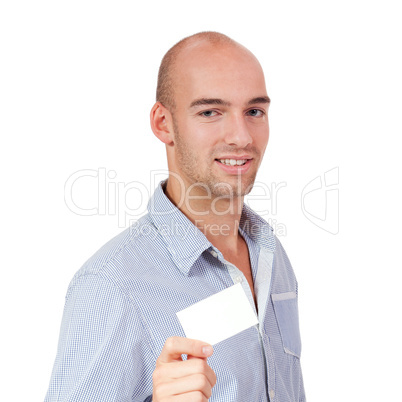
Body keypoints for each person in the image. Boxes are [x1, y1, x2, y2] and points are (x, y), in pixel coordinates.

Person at [45, 31, 305, 401]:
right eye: (210, 112)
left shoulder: (269, 252)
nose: (241, 136)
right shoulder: (111, 284)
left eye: (254, 111)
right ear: (163, 123)